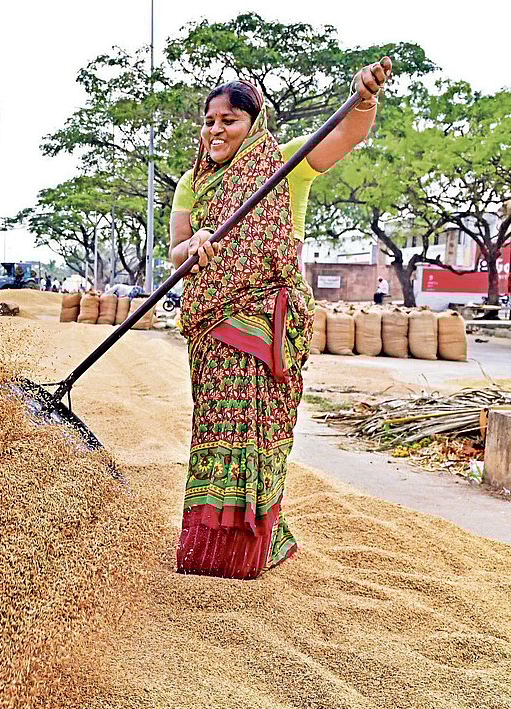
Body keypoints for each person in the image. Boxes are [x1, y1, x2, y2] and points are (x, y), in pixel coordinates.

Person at [167, 59, 391, 580]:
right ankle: (209, 547)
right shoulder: (191, 183)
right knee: (216, 430)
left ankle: (248, 547)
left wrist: (364, 99)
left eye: (229, 120)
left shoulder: (284, 165)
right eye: (210, 121)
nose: (216, 130)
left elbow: (349, 134)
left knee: (257, 430)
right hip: (211, 318)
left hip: (265, 320)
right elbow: (176, 251)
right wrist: (193, 244)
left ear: (254, 123)